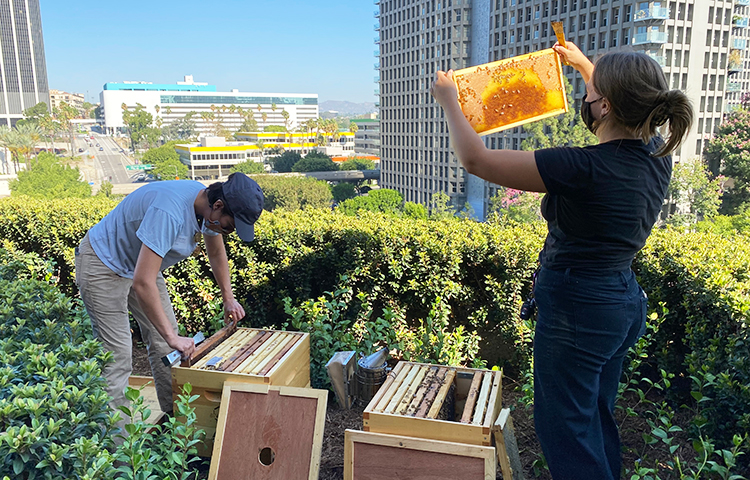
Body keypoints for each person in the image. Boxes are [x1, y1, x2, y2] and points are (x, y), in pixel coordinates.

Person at [431, 43, 693, 479]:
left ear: (606, 105)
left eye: (592, 95)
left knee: (566, 431)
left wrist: (450, 100)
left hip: (579, 309)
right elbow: (622, 105)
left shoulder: (579, 166)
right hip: (621, 302)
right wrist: (586, 65)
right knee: (594, 414)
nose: (585, 100)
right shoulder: (654, 156)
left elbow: (475, 160)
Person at [75, 172, 264, 422]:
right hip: (103, 264)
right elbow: (143, 282)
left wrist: (228, 298)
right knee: (117, 357)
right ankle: (120, 452)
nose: (227, 232)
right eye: (229, 226)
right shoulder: (170, 213)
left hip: (140, 266)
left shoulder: (206, 209)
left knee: (168, 346)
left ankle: (176, 425)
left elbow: (216, 255)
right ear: (218, 206)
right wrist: (172, 336)